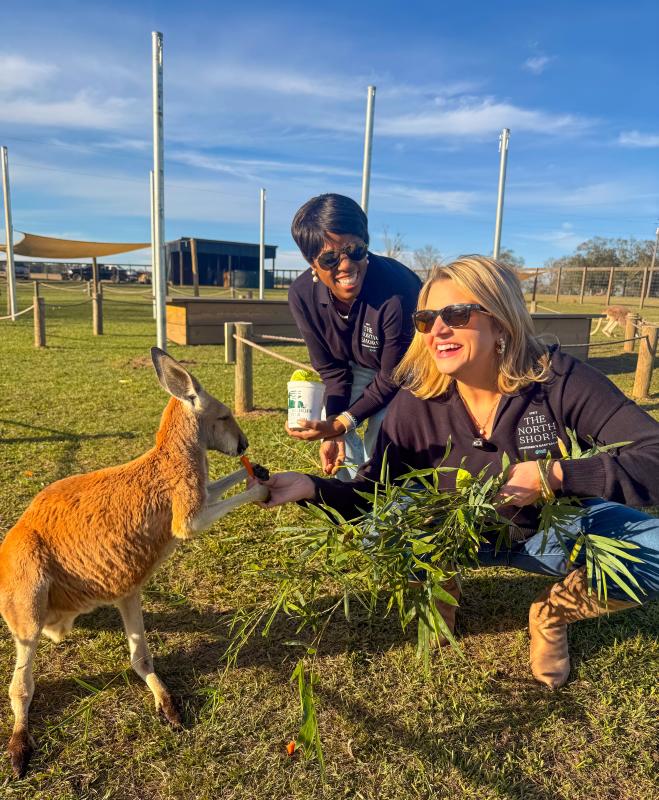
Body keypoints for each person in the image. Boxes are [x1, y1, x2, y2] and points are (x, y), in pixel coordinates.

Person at [255, 255, 659, 689]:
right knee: (382, 527)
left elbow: (653, 454)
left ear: (500, 321)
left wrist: (555, 475)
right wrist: (310, 488)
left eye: (457, 314)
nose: (438, 330)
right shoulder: (418, 401)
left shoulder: (556, 380)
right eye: (427, 319)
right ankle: (440, 589)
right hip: (456, 534)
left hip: (550, 531)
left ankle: (551, 614)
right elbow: (372, 490)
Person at [287, 193, 421, 480]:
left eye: (356, 250)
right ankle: (351, 495)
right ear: (311, 262)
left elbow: (394, 375)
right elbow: (332, 370)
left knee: (384, 426)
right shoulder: (302, 295)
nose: (346, 265)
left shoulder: (398, 291)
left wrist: (345, 421)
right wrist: (335, 426)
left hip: (409, 369)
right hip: (361, 365)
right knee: (330, 416)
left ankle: (391, 500)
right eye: (330, 258)